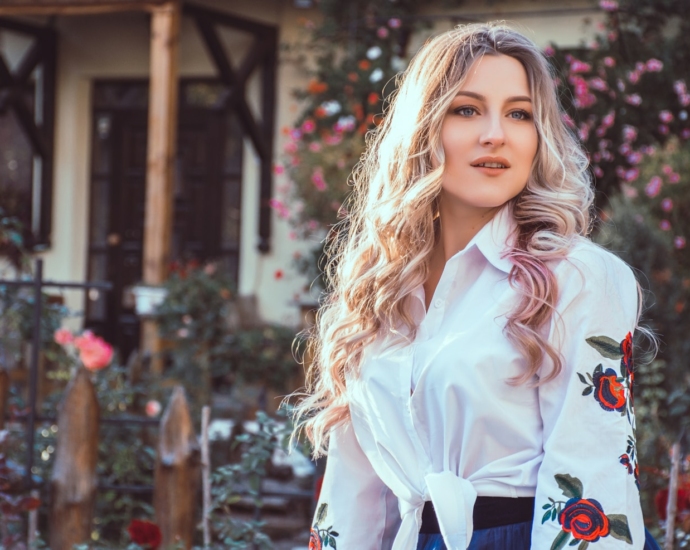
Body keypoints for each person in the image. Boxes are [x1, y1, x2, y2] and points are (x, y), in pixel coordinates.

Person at [292, 23, 661, 550]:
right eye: (466, 109)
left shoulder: (578, 277)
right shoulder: (379, 293)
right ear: (424, 129)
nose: (497, 134)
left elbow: (593, 470)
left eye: (519, 113)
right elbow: (354, 492)